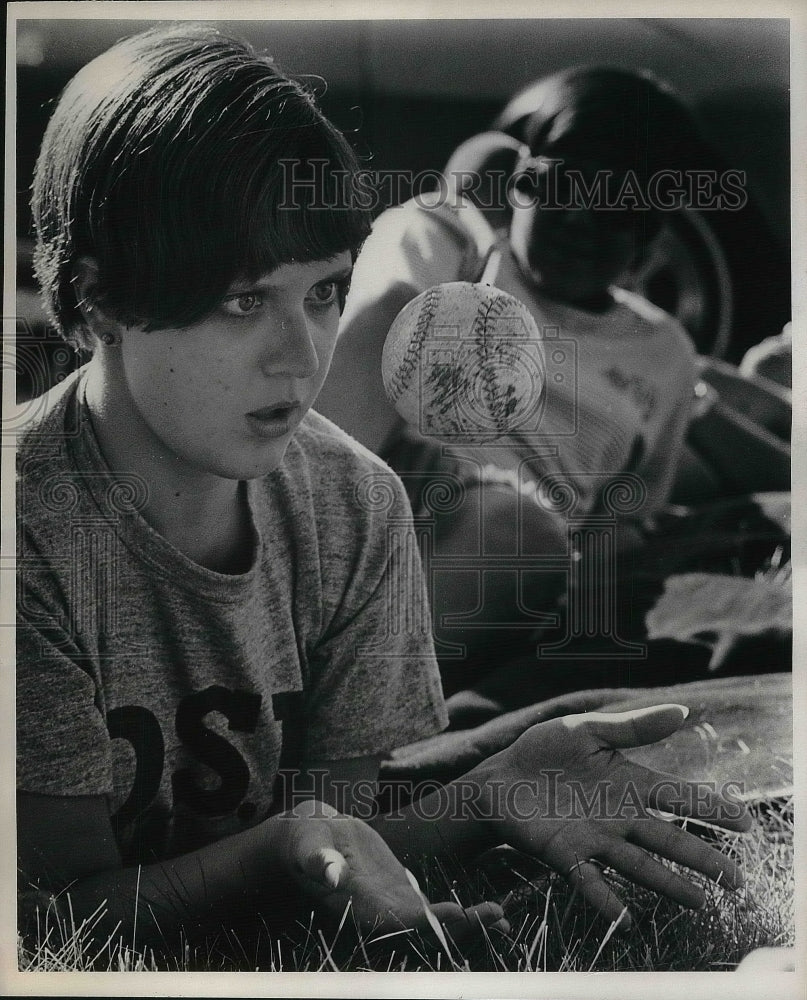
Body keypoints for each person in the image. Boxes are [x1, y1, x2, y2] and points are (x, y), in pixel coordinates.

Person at [17, 28, 750, 966]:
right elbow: (51, 923)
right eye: (245, 301)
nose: (302, 356)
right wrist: (277, 855)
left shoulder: (355, 503)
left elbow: (335, 839)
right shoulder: (30, 529)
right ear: (99, 297)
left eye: (323, 292)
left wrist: (486, 794)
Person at [316, 66, 790, 693]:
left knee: (521, 530)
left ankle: (338, 705)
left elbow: (622, 519)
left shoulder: (664, 353)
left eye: (616, 211)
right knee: (395, 311)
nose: (579, 223)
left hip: (504, 546)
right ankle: (272, 563)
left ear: (650, 238)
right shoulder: (449, 237)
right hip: (380, 481)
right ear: (519, 182)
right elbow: (361, 341)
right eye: (561, 188)